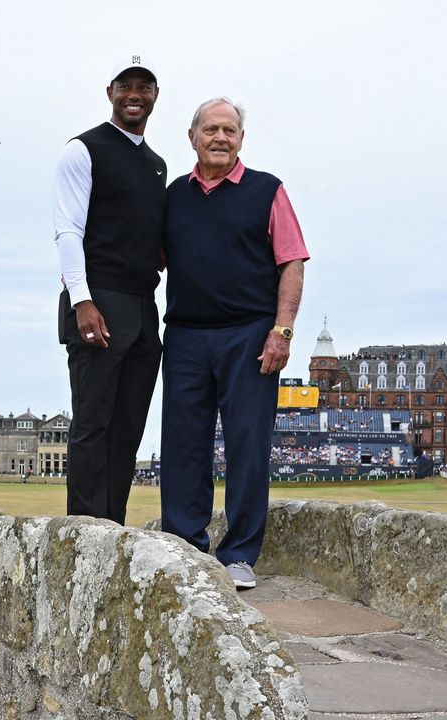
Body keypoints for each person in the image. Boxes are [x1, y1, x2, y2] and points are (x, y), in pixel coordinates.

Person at [159, 97, 309, 590]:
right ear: (192, 137)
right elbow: (149, 260)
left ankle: (239, 554)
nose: (220, 138)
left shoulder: (267, 190)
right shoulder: (173, 196)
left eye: (229, 130)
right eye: (210, 129)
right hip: (184, 335)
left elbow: (291, 261)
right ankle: (184, 545)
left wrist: (281, 331)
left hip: (250, 335)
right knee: (182, 445)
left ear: (241, 139)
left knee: (247, 444)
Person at [53, 56, 167, 524]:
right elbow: (68, 231)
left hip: (143, 308)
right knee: (93, 424)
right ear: (110, 92)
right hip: (97, 301)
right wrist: (83, 300)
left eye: (145, 87)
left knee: (127, 430)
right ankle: (84, 531)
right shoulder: (82, 150)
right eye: (126, 86)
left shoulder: (156, 165)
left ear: (155, 97)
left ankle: (112, 527)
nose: (135, 94)